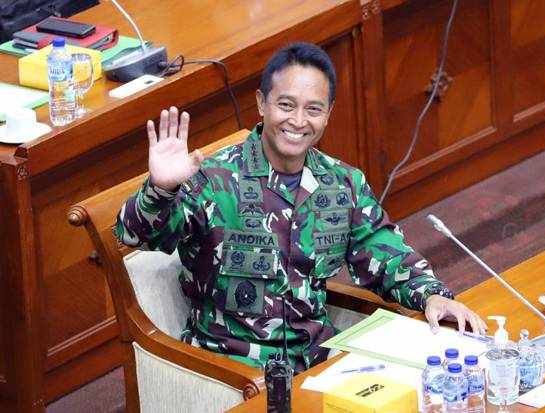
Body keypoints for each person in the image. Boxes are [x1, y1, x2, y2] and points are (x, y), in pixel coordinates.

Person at [115, 42, 487, 373]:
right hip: (238, 371)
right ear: (261, 103)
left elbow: (383, 252)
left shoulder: (343, 183)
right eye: (286, 105)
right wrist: (160, 189)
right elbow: (134, 235)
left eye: (313, 109)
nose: (298, 121)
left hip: (315, 363)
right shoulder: (213, 180)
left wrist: (431, 293)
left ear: (329, 113)